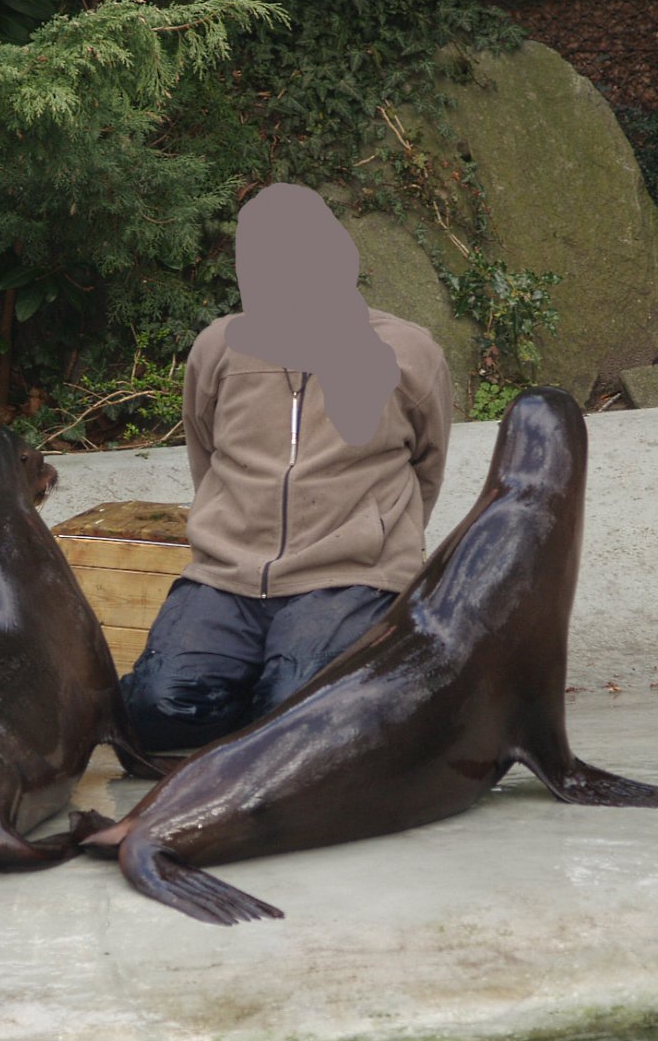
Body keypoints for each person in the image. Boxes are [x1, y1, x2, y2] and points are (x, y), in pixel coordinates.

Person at [120, 183, 453, 751]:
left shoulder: (407, 352)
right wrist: (232, 527)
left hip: (351, 574)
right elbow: (207, 455)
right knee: (155, 711)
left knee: (295, 714)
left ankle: (284, 697)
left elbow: (427, 464)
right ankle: (245, 692)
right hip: (225, 575)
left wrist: (376, 537)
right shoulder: (219, 347)